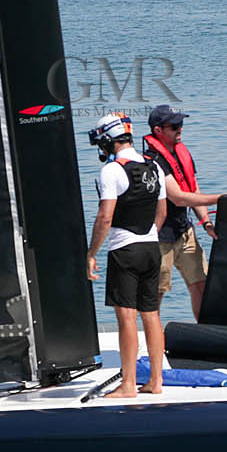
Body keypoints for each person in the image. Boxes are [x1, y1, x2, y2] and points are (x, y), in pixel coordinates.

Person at [87, 112, 167, 399]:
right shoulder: (154, 165)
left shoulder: (111, 170)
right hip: (151, 247)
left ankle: (129, 384)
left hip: (125, 248)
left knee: (126, 317)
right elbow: (162, 213)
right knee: (152, 315)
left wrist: (91, 252)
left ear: (107, 141)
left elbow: (105, 218)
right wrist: (149, 236)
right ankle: (156, 380)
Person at [140, 105, 221, 321]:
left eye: (181, 125)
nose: (180, 130)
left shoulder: (181, 153)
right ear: (158, 130)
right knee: (156, 295)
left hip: (184, 232)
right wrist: (220, 198)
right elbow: (178, 197)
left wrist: (206, 222)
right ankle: (152, 348)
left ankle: (207, 336)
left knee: (201, 285)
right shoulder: (153, 161)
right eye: (174, 126)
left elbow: (193, 189)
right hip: (159, 238)